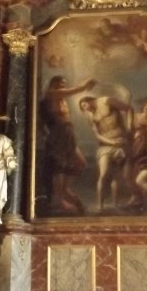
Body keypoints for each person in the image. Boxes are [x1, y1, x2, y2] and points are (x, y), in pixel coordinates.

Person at [39, 75, 96, 213]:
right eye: (60, 84)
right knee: (59, 166)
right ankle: (57, 201)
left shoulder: (62, 100)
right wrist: (83, 86)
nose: (63, 86)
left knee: (80, 163)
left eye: (64, 84)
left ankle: (63, 190)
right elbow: (42, 124)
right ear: (53, 85)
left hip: (67, 135)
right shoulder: (51, 95)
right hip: (59, 135)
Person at [79, 94, 133, 210]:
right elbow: (97, 135)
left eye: (84, 105)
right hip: (105, 145)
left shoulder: (106, 100)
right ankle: (100, 205)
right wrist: (111, 142)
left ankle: (116, 204)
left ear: (89, 100)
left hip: (121, 142)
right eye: (83, 109)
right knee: (104, 174)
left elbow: (129, 109)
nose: (85, 109)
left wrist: (129, 128)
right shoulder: (91, 116)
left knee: (115, 176)